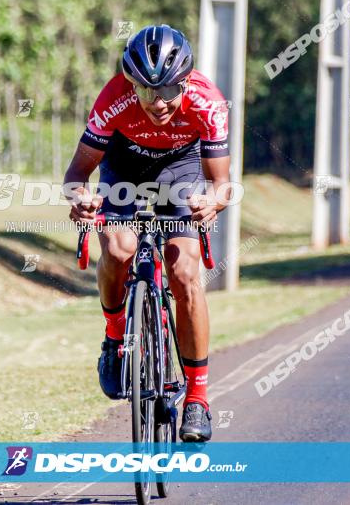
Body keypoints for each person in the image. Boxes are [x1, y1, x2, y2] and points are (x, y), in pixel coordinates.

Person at [63, 24, 232, 442]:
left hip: (182, 167)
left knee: (185, 274)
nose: (158, 103)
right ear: (130, 84)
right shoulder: (112, 100)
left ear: (186, 82)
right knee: (119, 250)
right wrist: (80, 198)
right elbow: (77, 173)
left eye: (169, 91)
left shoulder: (207, 102)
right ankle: (115, 335)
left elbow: (222, 183)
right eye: (145, 92)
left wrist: (213, 202)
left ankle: (197, 398)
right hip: (124, 165)